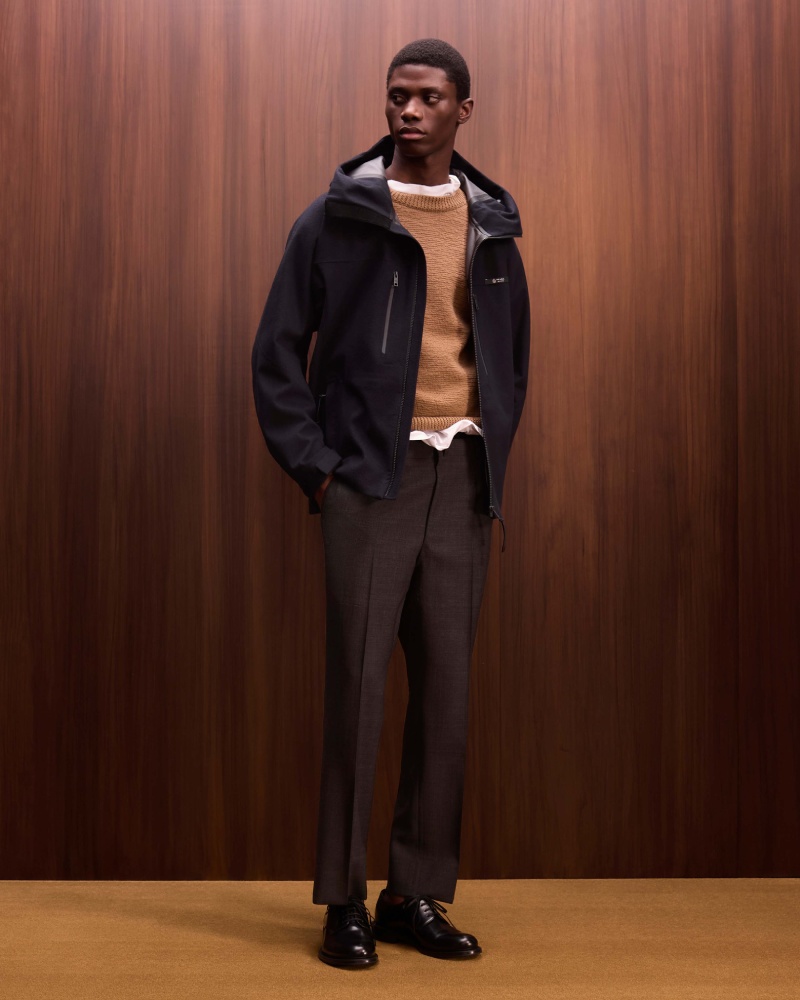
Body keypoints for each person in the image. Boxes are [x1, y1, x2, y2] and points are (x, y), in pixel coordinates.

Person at [251, 38, 530, 968]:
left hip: (464, 476)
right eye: (398, 96)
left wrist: (491, 449)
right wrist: (319, 471)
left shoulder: (492, 224)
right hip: (368, 479)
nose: (410, 111)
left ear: (462, 110)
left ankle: (413, 894)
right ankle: (343, 901)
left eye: (430, 97)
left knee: (446, 695)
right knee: (357, 689)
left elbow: (509, 355)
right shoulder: (336, 217)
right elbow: (275, 355)